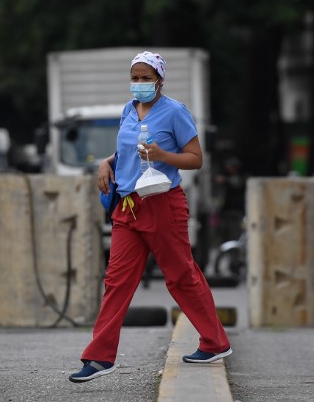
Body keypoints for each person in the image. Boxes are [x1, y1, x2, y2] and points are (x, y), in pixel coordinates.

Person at [69, 51, 231, 383]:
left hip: (163, 204)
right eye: (136, 77)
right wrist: (107, 162)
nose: (140, 84)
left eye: (146, 78)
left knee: (181, 276)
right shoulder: (129, 109)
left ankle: (214, 342)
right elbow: (127, 149)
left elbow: (195, 159)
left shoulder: (175, 112)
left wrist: (163, 155)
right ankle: (99, 357)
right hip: (128, 206)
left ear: (159, 79)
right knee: (116, 281)